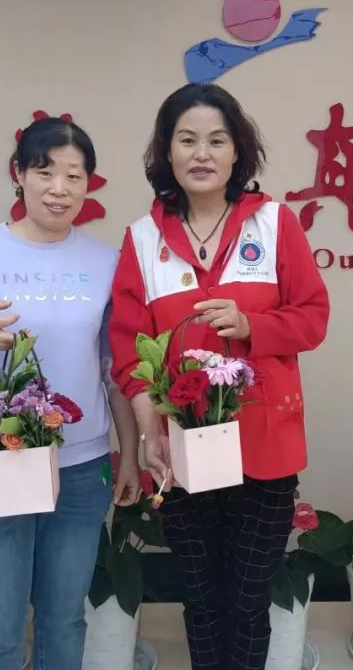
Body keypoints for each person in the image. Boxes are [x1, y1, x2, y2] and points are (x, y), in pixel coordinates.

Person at [109, 83, 331, 670]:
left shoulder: (276, 224)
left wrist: (252, 324)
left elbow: (313, 318)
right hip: (180, 447)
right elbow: (129, 354)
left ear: (238, 152)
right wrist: (149, 433)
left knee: (249, 600)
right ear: (167, 152)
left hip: (265, 445)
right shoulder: (142, 239)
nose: (202, 153)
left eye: (217, 140)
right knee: (202, 599)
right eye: (187, 140)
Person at [0, 116, 140, 670]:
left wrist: (131, 453)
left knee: (65, 620)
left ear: (88, 183)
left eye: (74, 175)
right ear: (19, 175)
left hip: (79, 469)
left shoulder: (104, 263)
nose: (59, 189)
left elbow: (115, 371)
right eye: (45, 172)